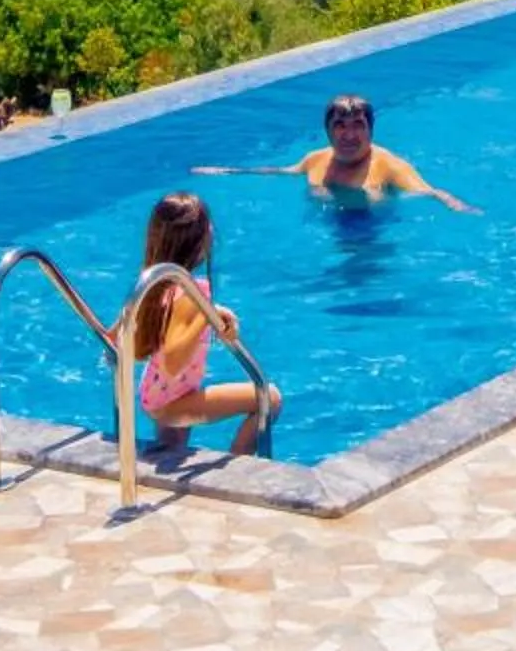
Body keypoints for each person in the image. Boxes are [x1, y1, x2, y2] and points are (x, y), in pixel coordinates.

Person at [129, 191, 279, 454]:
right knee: (270, 398)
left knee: (172, 452)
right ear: (204, 238)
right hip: (174, 402)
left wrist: (212, 312)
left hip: (157, 393)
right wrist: (205, 315)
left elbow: (129, 331)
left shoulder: (155, 282)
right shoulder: (189, 293)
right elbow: (173, 361)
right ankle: (236, 470)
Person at [193, 94, 475, 212]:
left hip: (371, 234)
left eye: (358, 126)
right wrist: (226, 171)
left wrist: (459, 207)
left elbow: (430, 191)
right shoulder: (315, 159)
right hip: (327, 227)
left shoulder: (389, 166)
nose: (349, 135)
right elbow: (282, 173)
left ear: (370, 130)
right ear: (328, 131)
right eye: (340, 125)